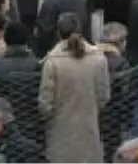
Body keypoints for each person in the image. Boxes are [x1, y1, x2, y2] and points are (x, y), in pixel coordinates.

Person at [39, 11, 110, 164]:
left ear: (58, 33)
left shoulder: (52, 62)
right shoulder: (98, 59)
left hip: (60, 136)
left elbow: (45, 104)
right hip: (89, 133)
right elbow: (103, 97)